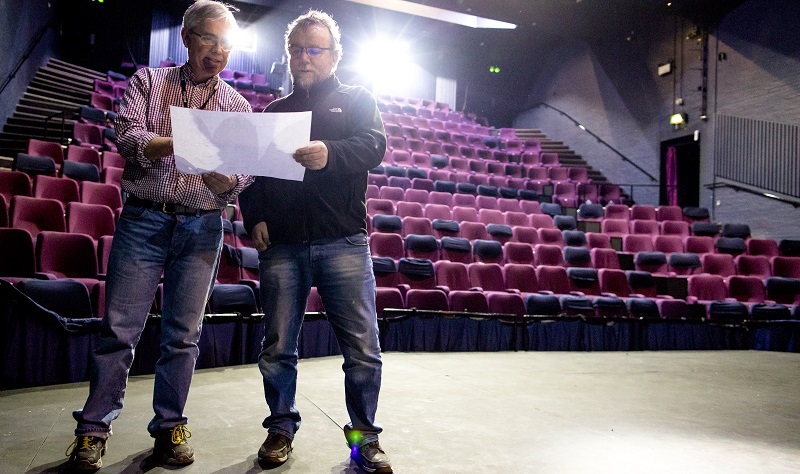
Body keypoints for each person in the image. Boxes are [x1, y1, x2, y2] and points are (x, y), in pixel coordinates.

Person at [65, 1, 253, 471]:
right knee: (119, 331)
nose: (217, 51)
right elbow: (127, 137)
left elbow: (244, 174)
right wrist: (184, 141)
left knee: (184, 336)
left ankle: (170, 427)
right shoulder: (149, 82)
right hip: (146, 218)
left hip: (203, 224)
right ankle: (93, 430)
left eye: (226, 43)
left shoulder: (238, 106)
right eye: (209, 38)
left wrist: (227, 182)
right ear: (187, 37)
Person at [238, 9, 393, 474]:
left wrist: (332, 153)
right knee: (278, 347)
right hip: (282, 245)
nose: (304, 57)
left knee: (362, 349)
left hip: (343, 242)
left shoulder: (358, 99)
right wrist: (255, 215)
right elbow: (255, 173)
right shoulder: (274, 111)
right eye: (297, 49)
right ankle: (280, 428)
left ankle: (364, 437)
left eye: (314, 49)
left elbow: (375, 146)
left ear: (333, 55)